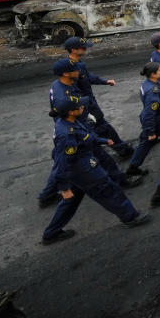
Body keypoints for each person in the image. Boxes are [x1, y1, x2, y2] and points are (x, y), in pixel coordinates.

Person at [42, 95, 150, 244]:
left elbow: (86, 136)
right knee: (109, 191)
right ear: (71, 112)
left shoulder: (70, 121)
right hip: (84, 171)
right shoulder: (66, 134)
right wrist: (63, 188)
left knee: (70, 202)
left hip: (77, 171)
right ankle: (131, 217)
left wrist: (104, 140)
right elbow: (62, 162)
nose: (83, 107)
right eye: (79, 106)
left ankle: (51, 233)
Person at [38, 59, 140, 209]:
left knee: (62, 161)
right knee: (99, 157)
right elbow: (67, 111)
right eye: (75, 70)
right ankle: (120, 180)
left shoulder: (61, 84)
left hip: (76, 126)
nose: (79, 71)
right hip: (76, 130)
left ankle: (46, 195)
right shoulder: (63, 94)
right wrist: (83, 123)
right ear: (66, 73)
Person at [63, 37, 132, 158]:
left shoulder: (79, 64)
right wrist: (84, 108)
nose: (85, 49)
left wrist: (105, 81)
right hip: (85, 105)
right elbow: (72, 91)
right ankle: (121, 150)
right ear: (73, 50)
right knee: (102, 128)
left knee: (98, 128)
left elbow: (88, 77)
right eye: (82, 47)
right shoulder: (70, 68)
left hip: (89, 102)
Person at [126, 62, 160, 176]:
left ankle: (133, 167)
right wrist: (150, 131)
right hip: (157, 121)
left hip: (152, 120)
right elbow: (149, 114)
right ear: (153, 74)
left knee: (145, 143)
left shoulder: (150, 83)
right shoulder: (152, 91)